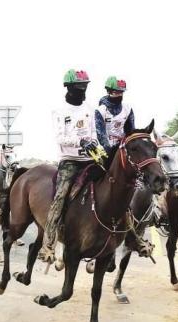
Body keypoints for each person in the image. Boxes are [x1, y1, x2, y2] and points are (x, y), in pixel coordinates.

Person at [39, 69, 101, 263]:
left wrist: (94, 144)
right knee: (60, 197)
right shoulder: (59, 110)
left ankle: (133, 234)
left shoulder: (91, 109)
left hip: (91, 158)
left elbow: (94, 132)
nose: (83, 91)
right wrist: (81, 142)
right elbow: (61, 136)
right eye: (79, 87)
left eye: (85, 87)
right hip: (70, 161)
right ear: (69, 88)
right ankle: (48, 245)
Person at [95, 76, 136, 152]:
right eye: (116, 92)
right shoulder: (100, 111)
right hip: (104, 149)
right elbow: (100, 135)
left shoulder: (128, 109)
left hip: (122, 146)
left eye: (121, 92)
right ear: (109, 92)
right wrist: (110, 151)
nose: (119, 95)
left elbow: (131, 132)